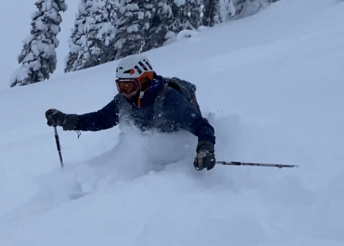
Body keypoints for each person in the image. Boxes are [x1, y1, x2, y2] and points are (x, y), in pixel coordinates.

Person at [45, 54, 217, 170]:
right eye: (120, 86)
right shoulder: (123, 101)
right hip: (146, 161)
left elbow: (200, 125)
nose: (124, 91)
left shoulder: (170, 100)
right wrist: (67, 120)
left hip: (174, 162)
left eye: (128, 86)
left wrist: (205, 149)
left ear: (144, 81)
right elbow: (101, 119)